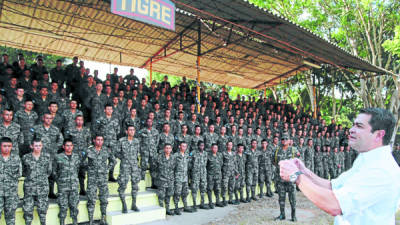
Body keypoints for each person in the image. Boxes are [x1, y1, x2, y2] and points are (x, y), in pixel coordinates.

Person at [279, 108, 400, 225]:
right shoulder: (366, 159)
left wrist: (296, 176)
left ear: (379, 135)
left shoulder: (381, 170)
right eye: (353, 125)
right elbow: (333, 186)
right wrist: (304, 171)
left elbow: (335, 205)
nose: (351, 130)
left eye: (359, 126)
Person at [86, 134, 115, 225]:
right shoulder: (89, 150)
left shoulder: (106, 150)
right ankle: (91, 220)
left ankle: (103, 218)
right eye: (98, 140)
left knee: (104, 199)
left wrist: (107, 169)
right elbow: (82, 161)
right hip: (92, 178)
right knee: (91, 199)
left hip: (102, 178)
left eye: (101, 140)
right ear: (94, 140)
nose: (99, 141)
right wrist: (89, 169)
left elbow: (113, 161)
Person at [22, 138, 51, 225]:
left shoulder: (47, 157)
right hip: (29, 187)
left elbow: (49, 171)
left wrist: (41, 179)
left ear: (42, 146)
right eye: (36, 145)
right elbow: (23, 171)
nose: (38, 147)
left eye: (40, 146)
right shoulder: (25, 157)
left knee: (42, 209)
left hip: (42, 186)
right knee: (27, 209)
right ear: (31, 146)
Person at [54, 139, 82, 225]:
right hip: (62, 186)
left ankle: (74, 221)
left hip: (74, 185)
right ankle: (62, 222)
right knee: (63, 206)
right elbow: (54, 171)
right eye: (67, 145)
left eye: (71, 145)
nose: (69, 147)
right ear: (63, 146)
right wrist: (59, 180)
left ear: (73, 146)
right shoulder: (58, 157)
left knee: (74, 205)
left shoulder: (76, 157)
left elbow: (77, 169)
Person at [116, 125, 141, 213]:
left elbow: (137, 153)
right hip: (125, 166)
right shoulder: (121, 141)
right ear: (126, 131)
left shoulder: (136, 141)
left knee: (135, 186)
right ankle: (124, 204)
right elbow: (117, 152)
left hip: (134, 166)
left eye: (133, 130)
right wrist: (123, 158)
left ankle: (134, 204)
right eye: (130, 130)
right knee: (123, 185)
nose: (132, 131)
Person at [0, 137, 22, 225]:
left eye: (9, 146)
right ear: (0, 146)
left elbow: (19, 173)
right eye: (4, 146)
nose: (7, 148)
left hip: (11, 193)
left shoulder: (16, 158)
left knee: (11, 217)